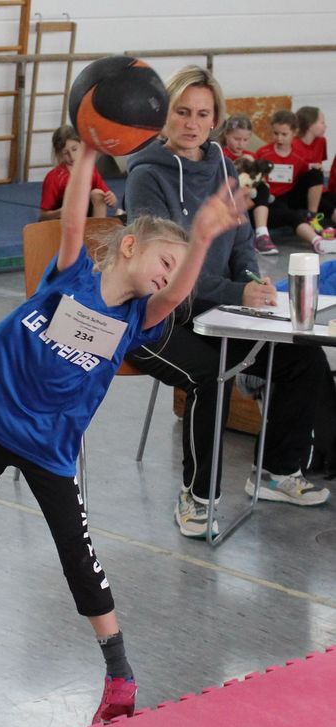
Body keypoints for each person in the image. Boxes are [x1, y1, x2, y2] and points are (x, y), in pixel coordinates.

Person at [0, 135, 246, 723]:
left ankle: (120, 674)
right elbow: (76, 221)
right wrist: (85, 156)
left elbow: (179, 293)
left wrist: (203, 238)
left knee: (79, 557)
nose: (169, 276)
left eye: (176, 269)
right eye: (164, 261)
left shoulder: (136, 320)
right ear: (129, 245)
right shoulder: (71, 274)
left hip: (50, 447)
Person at [124, 65, 330, 539]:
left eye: (202, 114)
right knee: (208, 376)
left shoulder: (222, 164)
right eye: (182, 112)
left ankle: (276, 471)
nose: (192, 123)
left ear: (215, 119)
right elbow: (163, 269)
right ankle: (197, 497)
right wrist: (237, 293)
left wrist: (252, 282)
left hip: (214, 309)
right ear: (165, 114)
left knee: (302, 355)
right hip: (153, 317)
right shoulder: (146, 176)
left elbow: (240, 241)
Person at [255, 110, 336, 255]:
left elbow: (305, 172)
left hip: (291, 196)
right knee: (293, 215)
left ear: (294, 132)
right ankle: (317, 242)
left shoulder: (300, 154)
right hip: (271, 200)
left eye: (284, 134)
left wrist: (314, 168)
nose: (279, 138)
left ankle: (311, 216)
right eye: (276, 133)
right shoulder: (263, 153)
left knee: (316, 173)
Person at [220, 112, 277, 255]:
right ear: (226, 135)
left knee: (263, 188)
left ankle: (262, 235)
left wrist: (260, 182)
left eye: (245, 140)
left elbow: (258, 179)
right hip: (230, 202)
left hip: (250, 203)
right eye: (236, 139)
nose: (241, 143)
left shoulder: (252, 156)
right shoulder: (220, 154)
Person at [39, 124, 118, 221]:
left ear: (82, 145)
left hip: (88, 219)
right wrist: (61, 212)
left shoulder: (90, 169)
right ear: (59, 154)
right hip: (64, 221)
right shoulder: (54, 177)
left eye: (74, 149)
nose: (71, 156)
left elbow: (110, 200)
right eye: (65, 153)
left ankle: (99, 228)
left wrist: (112, 199)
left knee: (97, 193)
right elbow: (43, 216)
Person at [293, 105, 336, 236]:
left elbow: (319, 165)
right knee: (330, 208)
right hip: (301, 191)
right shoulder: (293, 143)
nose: (325, 126)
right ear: (310, 125)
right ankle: (312, 216)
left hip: (320, 190)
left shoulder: (321, 141)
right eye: (322, 122)